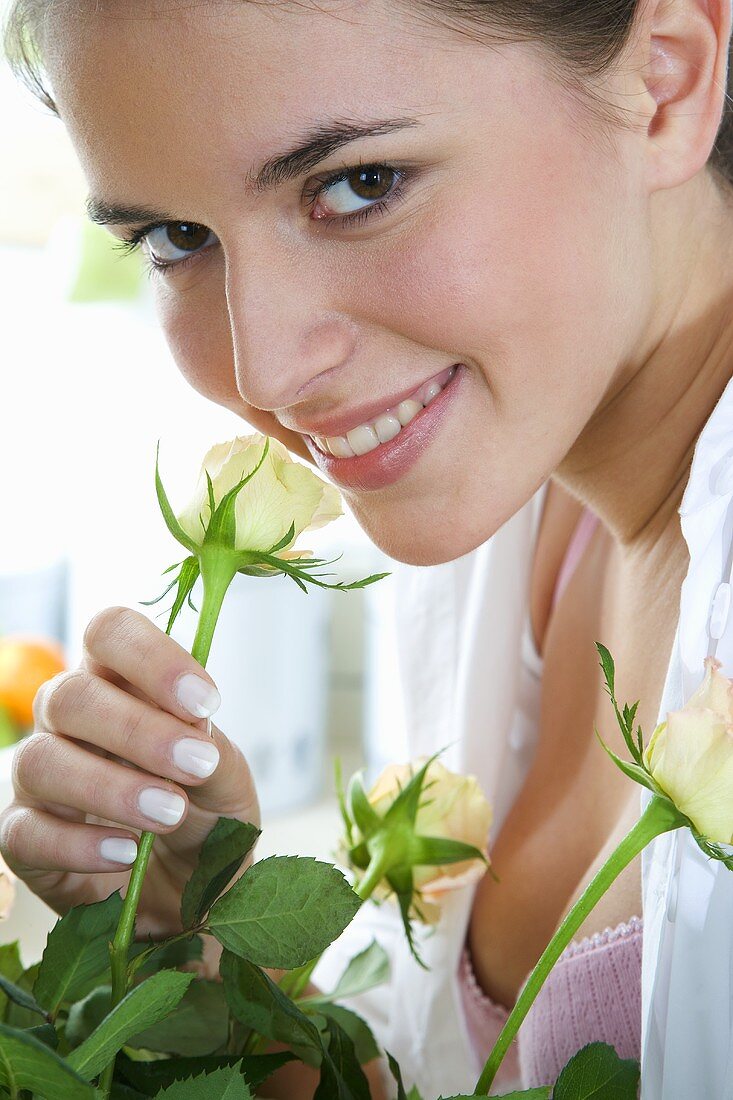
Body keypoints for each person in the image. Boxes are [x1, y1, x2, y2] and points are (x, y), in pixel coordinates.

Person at [1, 0, 732, 1095]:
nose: (267, 375)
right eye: (176, 237)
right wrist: (219, 954)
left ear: (664, 81)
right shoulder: (510, 485)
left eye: (358, 185)